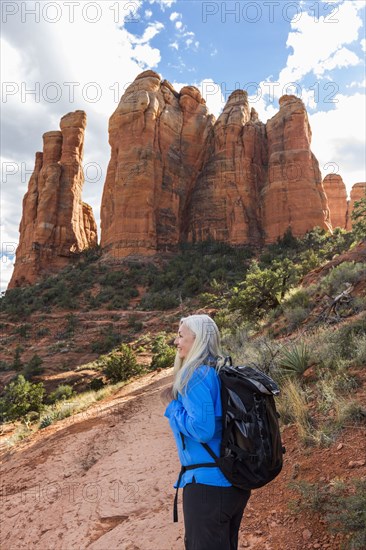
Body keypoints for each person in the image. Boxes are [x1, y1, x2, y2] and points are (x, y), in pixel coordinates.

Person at [163, 314, 251, 550]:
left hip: (207, 488)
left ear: (198, 339)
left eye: (181, 336)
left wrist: (173, 408)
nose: (176, 341)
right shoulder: (218, 371)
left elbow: (202, 430)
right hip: (231, 483)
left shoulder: (195, 375)